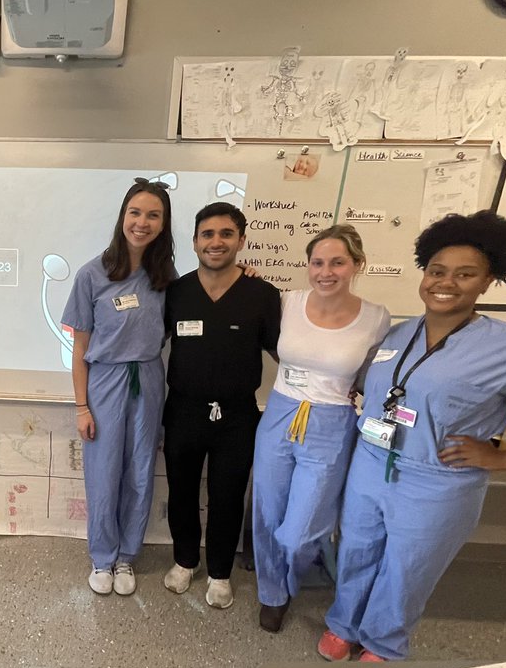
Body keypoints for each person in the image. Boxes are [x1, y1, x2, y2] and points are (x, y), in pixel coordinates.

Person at [319, 211, 506, 662]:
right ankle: (344, 624)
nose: (447, 283)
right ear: (424, 275)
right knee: (357, 550)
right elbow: (376, 386)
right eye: (437, 271)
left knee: (408, 567)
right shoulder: (399, 334)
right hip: (371, 463)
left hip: (437, 479)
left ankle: (384, 641)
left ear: (488, 281)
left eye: (466, 274)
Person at [251, 225, 389, 631]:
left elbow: (372, 375)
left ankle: (294, 574)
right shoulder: (287, 302)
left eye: (337, 262)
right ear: (308, 266)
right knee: (267, 512)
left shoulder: (376, 318)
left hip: (331, 424)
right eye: (317, 262)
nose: (325, 271)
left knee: (301, 528)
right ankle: (272, 592)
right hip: (279, 414)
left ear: (357, 265)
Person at [162, 202, 281, 609]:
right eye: (207, 234)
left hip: (237, 415)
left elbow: (284, 352)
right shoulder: (175, 293)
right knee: (181, 491)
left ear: (241, 241)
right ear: (194, 242)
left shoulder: (262, 294)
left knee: (228, 495)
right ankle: (184, 559)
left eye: (226, 234)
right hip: (183, 410)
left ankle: (220, 573)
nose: (216, 242)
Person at [61, 178, 176, 596]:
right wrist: (81, 407)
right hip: (104, 381)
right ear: (122, 216)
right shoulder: (93, 274)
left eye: (153, 215)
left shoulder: (165, 277)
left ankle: (127, 557)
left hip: (147, 379)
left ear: (163, 224)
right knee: (103, 472)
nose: (142, 222)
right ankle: (102, 557)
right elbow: (80, 348)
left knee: (141, 472)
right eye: (135, 212)